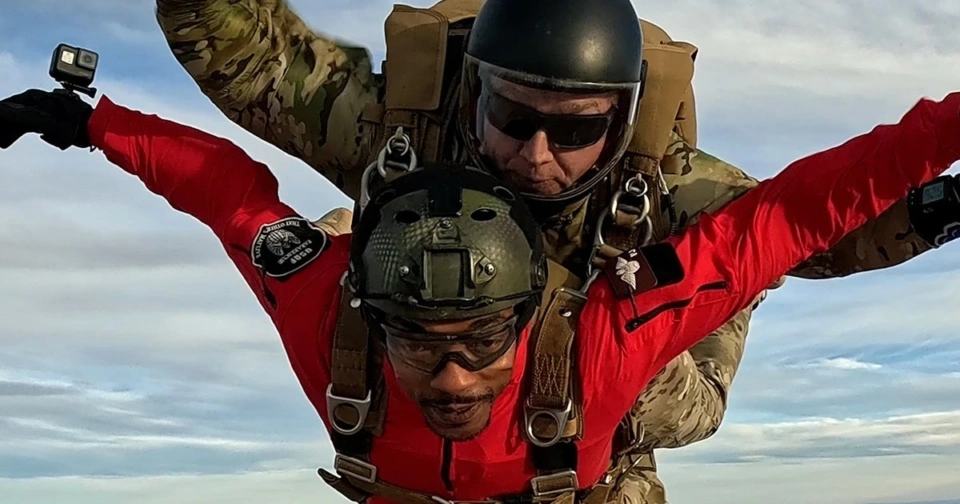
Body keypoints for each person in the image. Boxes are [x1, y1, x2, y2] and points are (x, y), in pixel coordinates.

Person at [2, 84, 959, 503]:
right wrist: (93, 122)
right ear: (375, 320)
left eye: (478, 341)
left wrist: (945, 146)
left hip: (582, 469)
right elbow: (226, 194)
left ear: (528, 316)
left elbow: (782, 221)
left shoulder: (596, 340)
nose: (452, 377)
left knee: (717, 298)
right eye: (419, 344)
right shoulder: (327, 309)